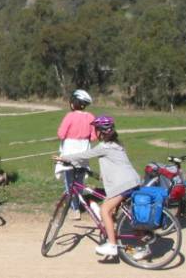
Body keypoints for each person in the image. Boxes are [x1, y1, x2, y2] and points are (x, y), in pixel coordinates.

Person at [53, 115, 141, 258]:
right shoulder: (117, 144)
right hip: (132, 182)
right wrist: (93, 173)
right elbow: (115, 165)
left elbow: (86, 154)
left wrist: (64, 158)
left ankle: (112, 246)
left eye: (96, 130)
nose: (95, 133)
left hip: (124, 185)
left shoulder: (104, 146)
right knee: (113, 216)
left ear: (102, 132)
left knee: (104, 210)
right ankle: (135, 246)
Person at [56, 89, 97, 220]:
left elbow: (61, 134)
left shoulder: (69, 116)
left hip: (69, 153)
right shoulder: (91, 117)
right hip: (84, 153)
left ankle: (73, 208)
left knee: (69, 181)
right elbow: (94, 136)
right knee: (79, 181)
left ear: (73, 104)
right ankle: (76, 204)